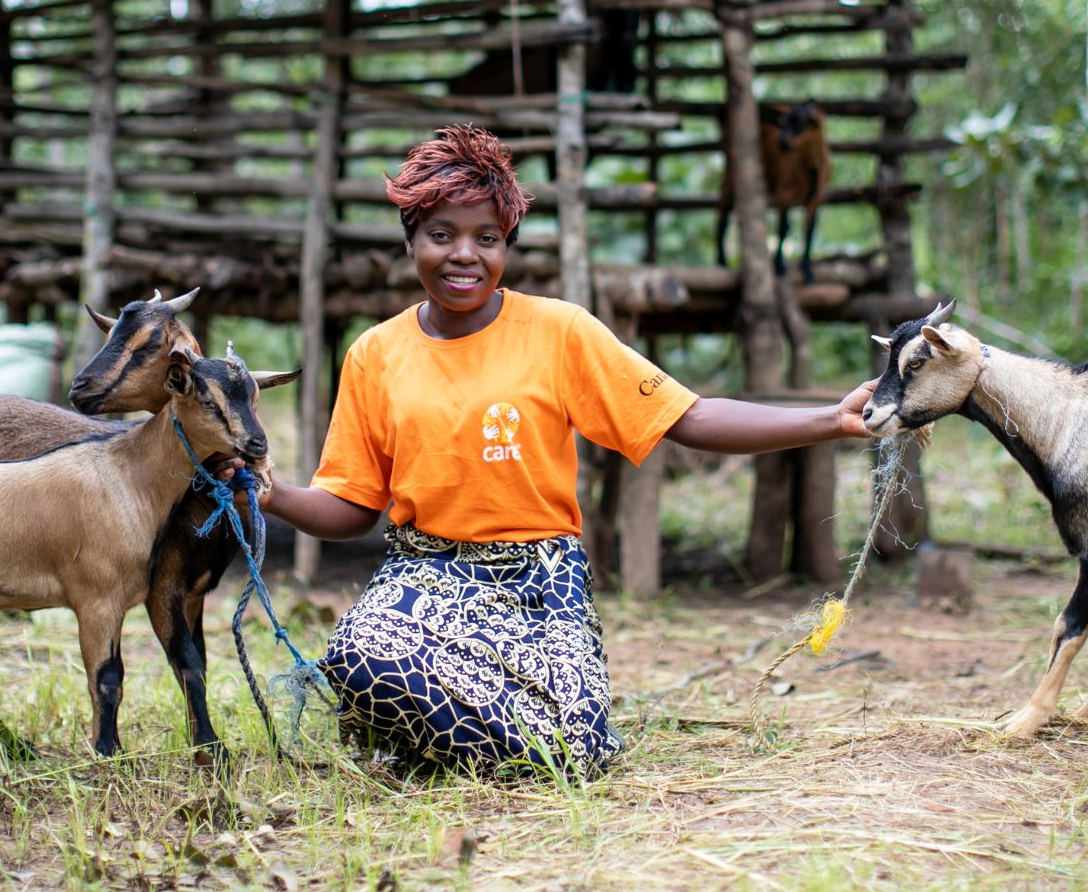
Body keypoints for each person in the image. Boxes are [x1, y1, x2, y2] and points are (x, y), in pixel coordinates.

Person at [259, 125, 878, 772]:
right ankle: (495, 746)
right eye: (442, 234)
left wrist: (830, 420)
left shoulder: (558, 332)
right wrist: (273, 494)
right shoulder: (375, 355)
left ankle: (495, 748)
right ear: (410, 239)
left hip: (539, 578)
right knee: (360, 658)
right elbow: (353, 506)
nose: (464, 254)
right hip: (425, 575)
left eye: (488, 238)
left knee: (577, 751)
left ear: (507, 248)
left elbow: (688, 417)